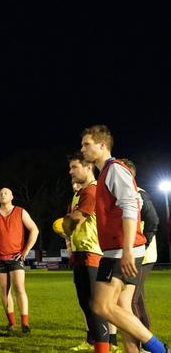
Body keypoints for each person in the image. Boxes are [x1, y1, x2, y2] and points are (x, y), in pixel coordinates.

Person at [80, 124, 168, 353]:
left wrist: (128, 249)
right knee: (122, 308)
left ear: (101, 145)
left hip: (120, 250)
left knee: (101, 305)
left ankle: (160, 349)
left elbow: (131, 206)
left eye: (86, 144)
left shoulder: (114, 170)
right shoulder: (107, 173)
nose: (82, 149)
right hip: (121, 248)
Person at [62, 153, 110, 352]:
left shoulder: (91, 191)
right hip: (81, 254)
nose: (71, 171)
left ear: (88, 167)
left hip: (92, 253)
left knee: (96, 306)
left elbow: (73, 221)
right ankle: (97, 345)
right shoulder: (81, 193)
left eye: (74, 167)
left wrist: (65, 222)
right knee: (87, 305)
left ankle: (106, 347)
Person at [0, 187, 39, 334]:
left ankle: (25, 323)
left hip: (16, 256)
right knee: (5, 291)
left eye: (6, 193)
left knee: (19, 288)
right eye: (0, 193)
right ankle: (11, 323)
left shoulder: (20, 211)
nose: (3, 195)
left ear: (11, 197)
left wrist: (26, 251)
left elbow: (34, 229)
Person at [120, 159, 159, 332]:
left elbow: (153, 221)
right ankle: (144, 339)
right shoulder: (124, 195)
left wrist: (145, 244)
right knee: (134, 297)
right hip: (133, 254)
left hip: (144, 255)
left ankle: (146, 341)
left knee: (132, 299)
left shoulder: (140, 194)